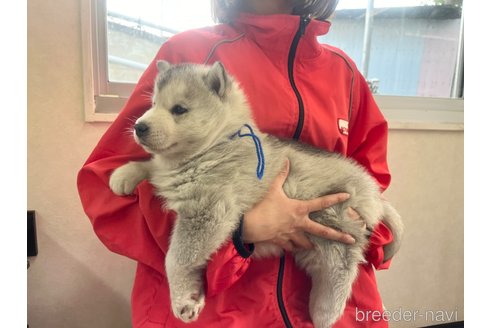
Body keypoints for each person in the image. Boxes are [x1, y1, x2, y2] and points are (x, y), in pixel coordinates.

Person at [77, 0, 396, 327]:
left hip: (330, 308)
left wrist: (368, 234)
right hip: (220, 311)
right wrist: (242, 229)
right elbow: (107, 192)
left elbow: (369, 177)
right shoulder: (190, 54)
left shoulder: (344, 73)